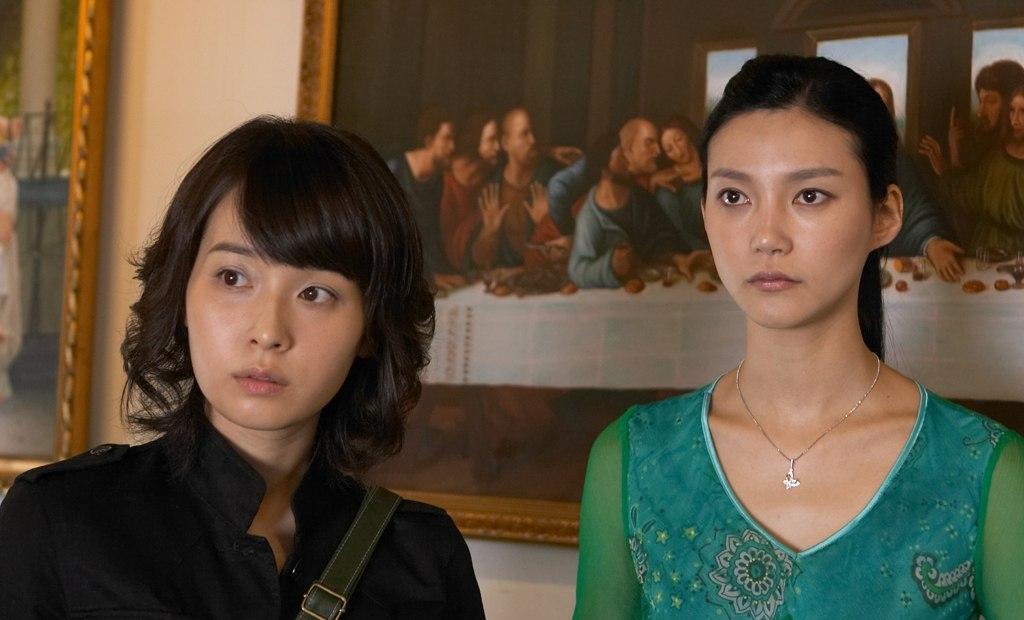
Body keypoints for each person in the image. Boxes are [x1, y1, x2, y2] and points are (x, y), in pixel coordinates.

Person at [574, 56, 1023, 618]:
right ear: (705, 214)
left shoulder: (984, 474)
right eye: (735, 197)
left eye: (809, 195)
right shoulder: (633, 459)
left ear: (886, 216)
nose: (766, 236)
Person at [0, 117, 485, 618]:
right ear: (181, 292)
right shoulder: (57, 519)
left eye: (315, 293)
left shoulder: (424, 558)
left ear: (370, 327)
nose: (268, 332)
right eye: (233, 277)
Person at [568, 118, 706, 289]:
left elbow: (658, 240)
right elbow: (577, 268)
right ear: (604, 169)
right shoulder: (590, 213)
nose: (628, 160)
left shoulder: (639, 196)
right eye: (621, 156)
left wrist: (677, 258)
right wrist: (610, 266)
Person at [867, 78, 964, 281]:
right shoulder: (838, 160)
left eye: (883, 107)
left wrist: (932, 243)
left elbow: (918, 209)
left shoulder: (899, 159)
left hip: (891, 266)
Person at [929, 82, 1024, 252]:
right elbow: (971, 192)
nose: (1015, 120)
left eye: (1023, 111)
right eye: (1012, 110)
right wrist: (945, 172)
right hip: (983, 249)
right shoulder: (996, 156)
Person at [468, 107, 565, 270]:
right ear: (505, 143)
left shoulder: (551, 181)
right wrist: (488, 233)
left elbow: (565, 255)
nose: (532, 140)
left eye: (532, 132)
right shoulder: (491, 187)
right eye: (524, 134)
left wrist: (544, 224)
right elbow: (479, 262)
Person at [388, 107, 466, 292]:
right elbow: (388, 238)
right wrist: (427, 277)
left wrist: (442, 272)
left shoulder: (436, 181)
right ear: (429, 140)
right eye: (447, 138)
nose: (452, 147)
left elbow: (430, 236)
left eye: (453, 139)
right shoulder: (393, 171)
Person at [440, 111, 499, 269]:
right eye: (491, 140)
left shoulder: (488, 181)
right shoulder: (444, 178)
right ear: (475, 139)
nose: (498, 147)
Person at [650, 115, 711, 254]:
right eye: (669, 149)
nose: (678, 151)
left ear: (688, 135)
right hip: (695, 248)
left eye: (678, 139)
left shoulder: (714, 160)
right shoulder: (668, 179)